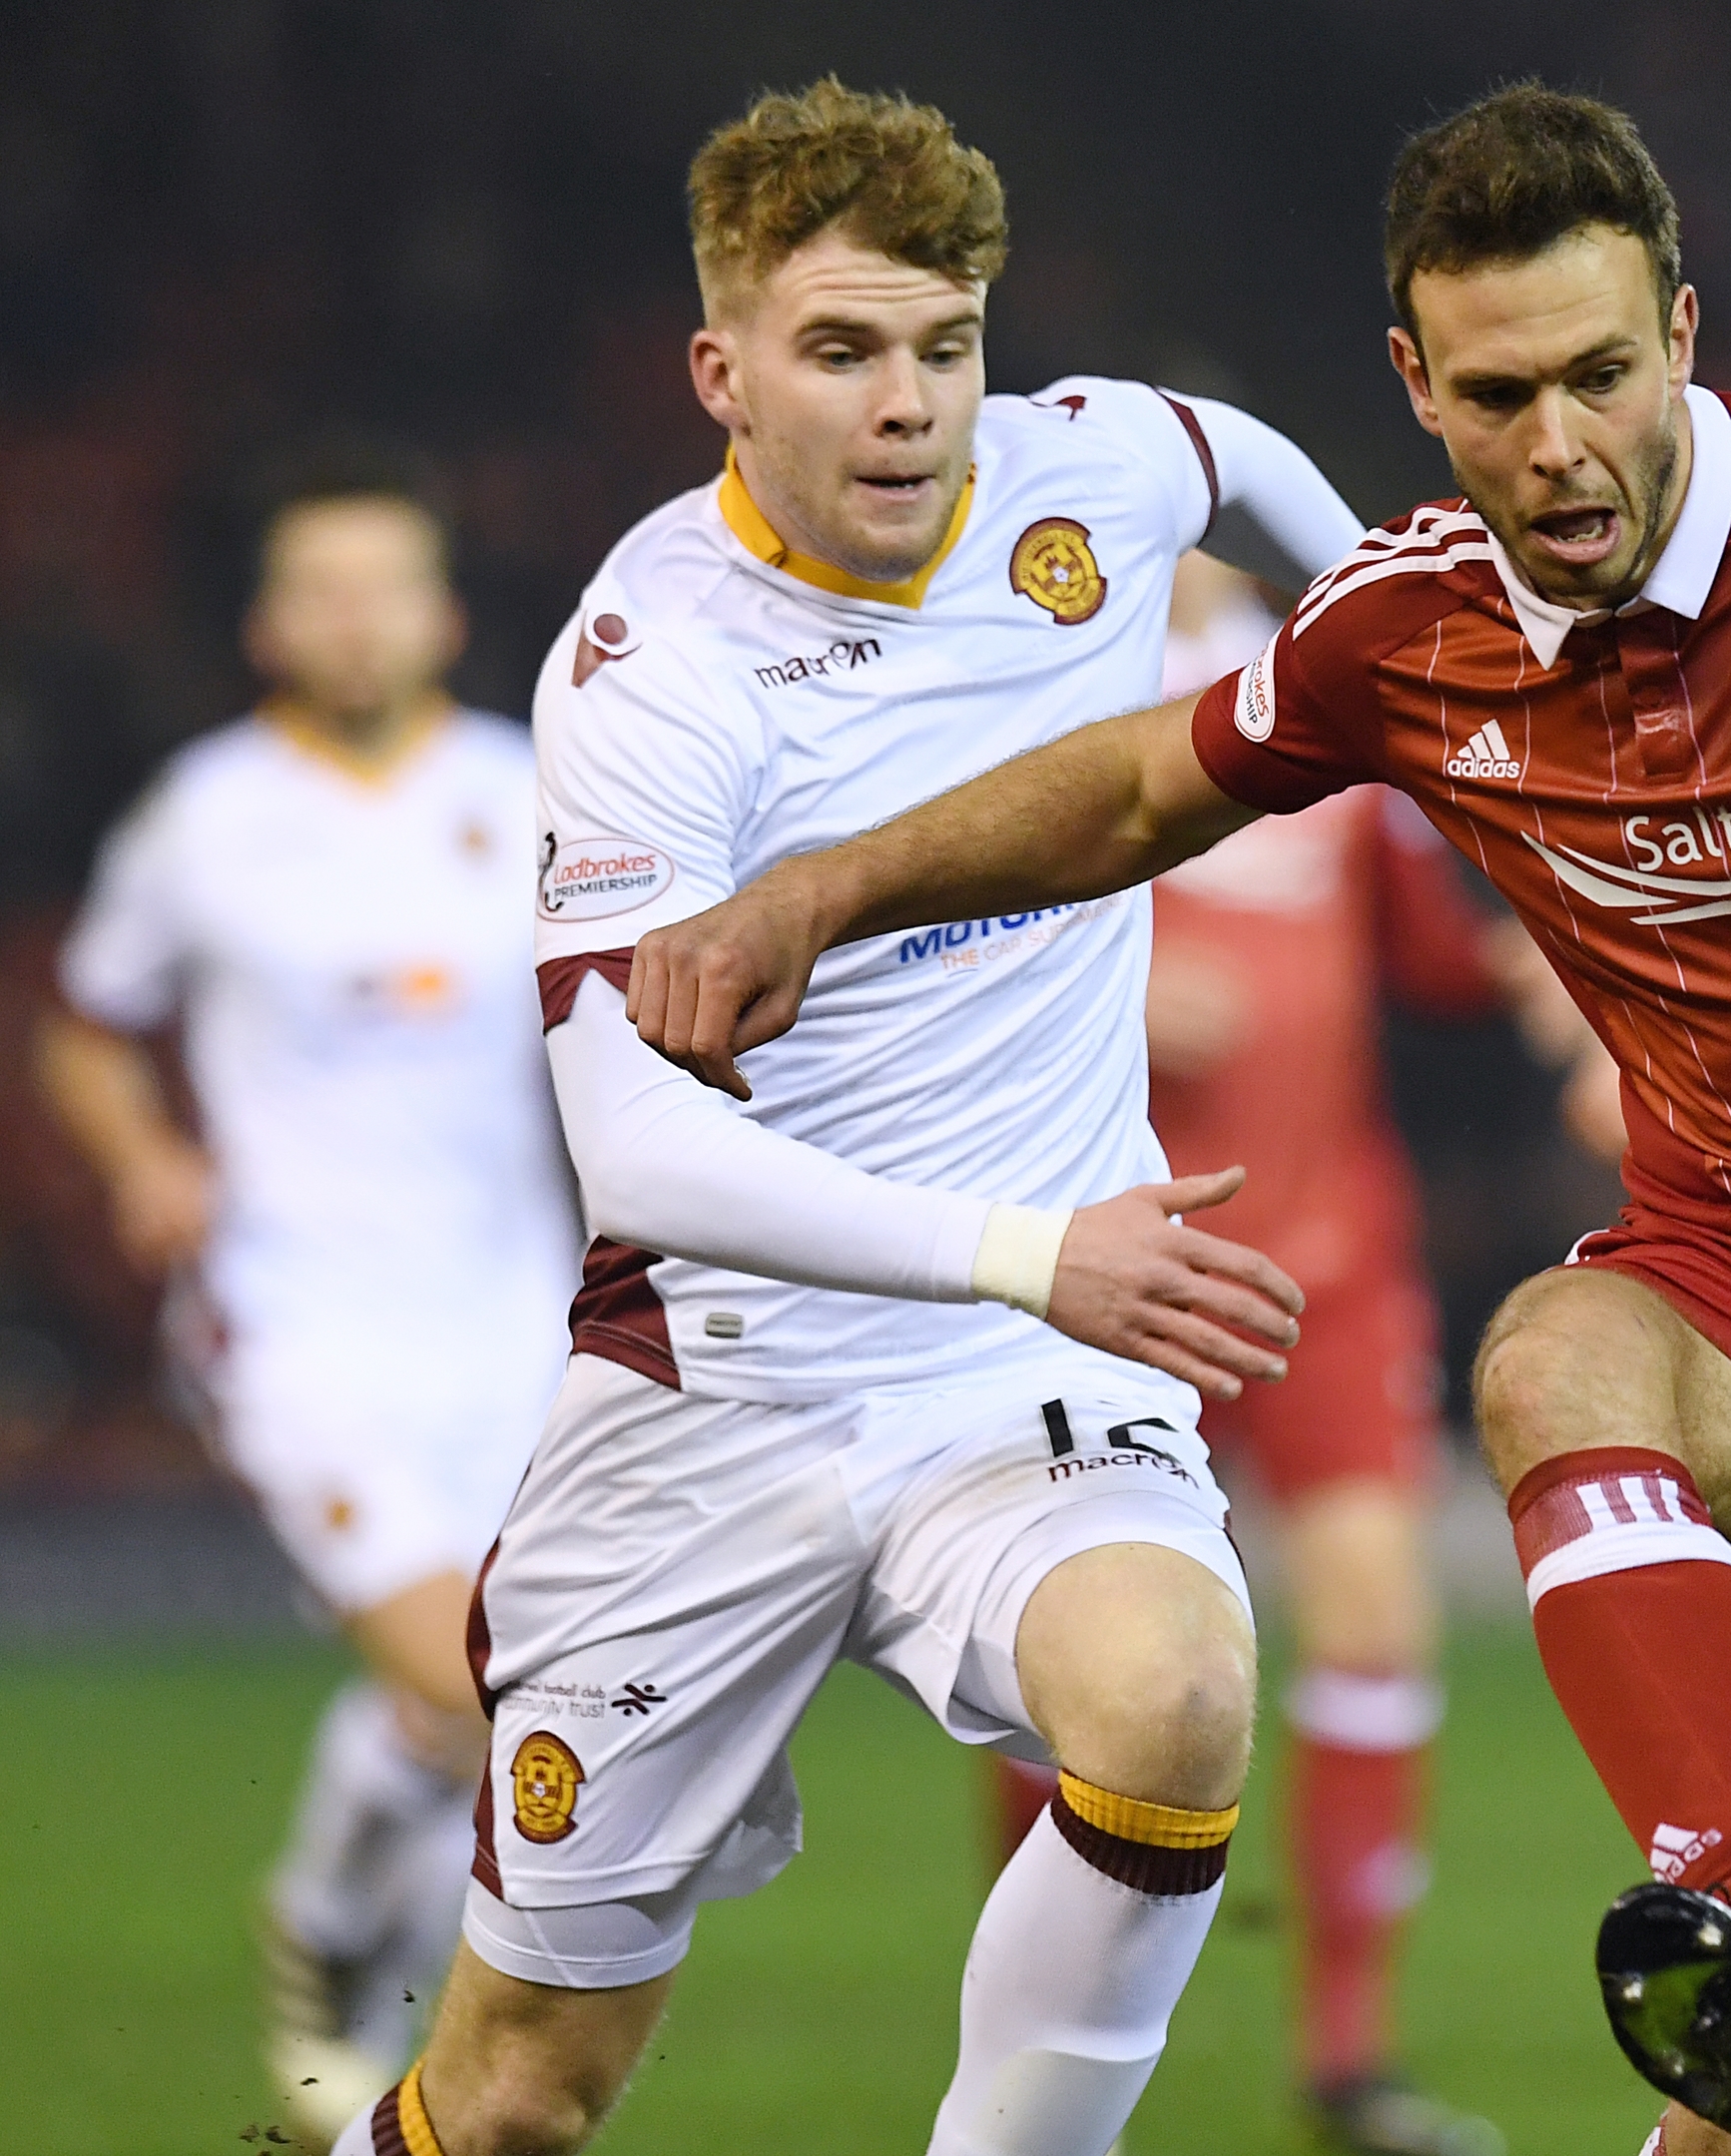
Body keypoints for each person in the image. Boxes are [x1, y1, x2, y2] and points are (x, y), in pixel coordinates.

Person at [625, 85, 1731, 2156]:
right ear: (1413, 384)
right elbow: (1134, 789)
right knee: (1556, 1349)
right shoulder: (1408, 626)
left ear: (1677, 329)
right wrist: (814, 890)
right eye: (1496, 395)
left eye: (1595, 374)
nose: (1555, 444)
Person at [346, 79, 1366, 2156]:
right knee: (523, 2094)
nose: (911, 407)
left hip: (1022, 1382)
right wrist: (1037, 1249)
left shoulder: (1083, 473)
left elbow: (1232, 453)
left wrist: (1381, 616)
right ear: (721, 375)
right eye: (840, 353)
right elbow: (634, 1157)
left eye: (943, 347)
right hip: (721, 1391)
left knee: (1173, 1689)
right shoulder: (653, 676)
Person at [36, 454, 579, 2141]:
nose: (355, 616)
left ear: (447, 616)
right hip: (296, 1322)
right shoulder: (206, 816)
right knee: (491, 1685)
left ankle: (332, 1935)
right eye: (320, 587)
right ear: (273, 624)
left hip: (518, 1310)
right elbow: (83, 1027)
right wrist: (142, 1158)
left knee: (481, 1694)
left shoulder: (538, 788)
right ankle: (448, 2062)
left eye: (387, 584)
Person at [984, 551, 1534, 2156]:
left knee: (1374, 1622)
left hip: (1328, 1263)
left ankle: (1348, 2061)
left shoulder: (1325, 741)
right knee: (1064, 1676)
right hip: (1112, 1266)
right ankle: (1028, 2034)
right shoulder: (1046, 738)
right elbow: (930, 958)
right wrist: (1109, 979)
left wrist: (1561, 952)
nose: (1194, 597)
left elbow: (1433, 953)